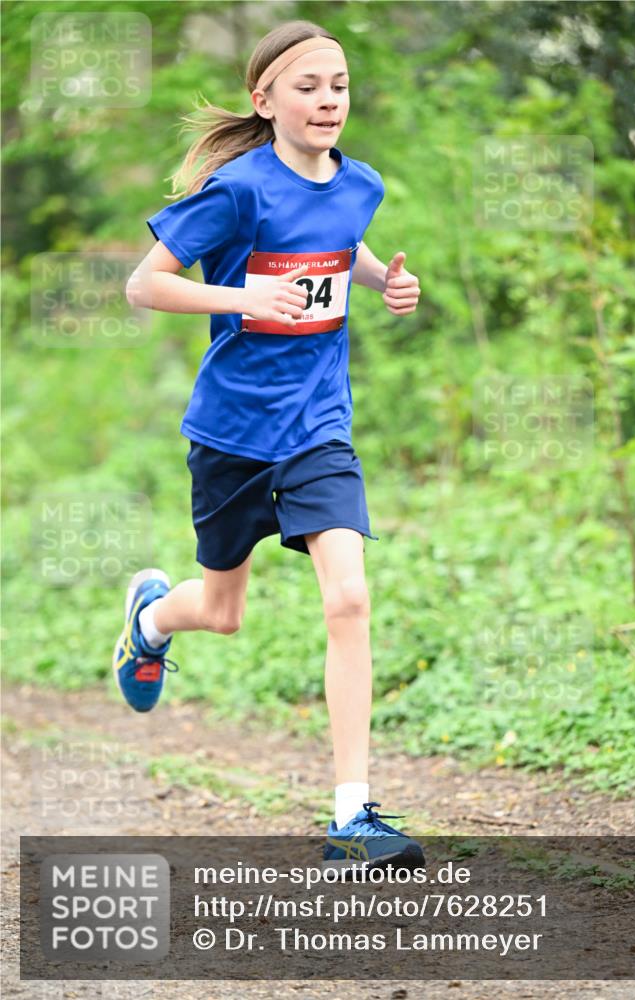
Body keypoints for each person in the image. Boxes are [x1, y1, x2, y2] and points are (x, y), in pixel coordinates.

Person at [113, 19, 423, 873]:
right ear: (265, 100)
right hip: (232, 432)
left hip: (318, 424)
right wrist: (242, 294)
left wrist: (382, 280)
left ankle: (352, 816)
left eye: (339, 86)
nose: (328, 101)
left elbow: (334, 247)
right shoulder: (238, 189)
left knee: (348, 597)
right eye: (308, 87)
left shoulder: (360, 183)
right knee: (221, 612)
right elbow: (147, 285)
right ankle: (148, 619)